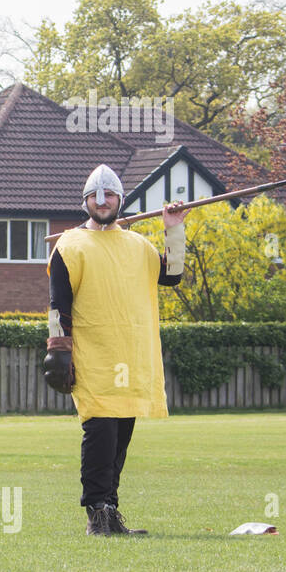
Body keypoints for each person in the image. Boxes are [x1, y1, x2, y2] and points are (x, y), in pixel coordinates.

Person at [44, 164, 187, 536]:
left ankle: (110, 511)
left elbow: (171, 274)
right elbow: (58, 305)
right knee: (101, 432)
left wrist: (174, 228)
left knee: (122, 433)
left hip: (132, 355)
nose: (102, 201)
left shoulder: (138, 244)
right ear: (86, 201)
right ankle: (97, 515)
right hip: (94, 356)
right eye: (95, 195)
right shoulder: (70, 245)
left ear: (120, 200)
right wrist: (59, 349)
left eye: (109, 195)